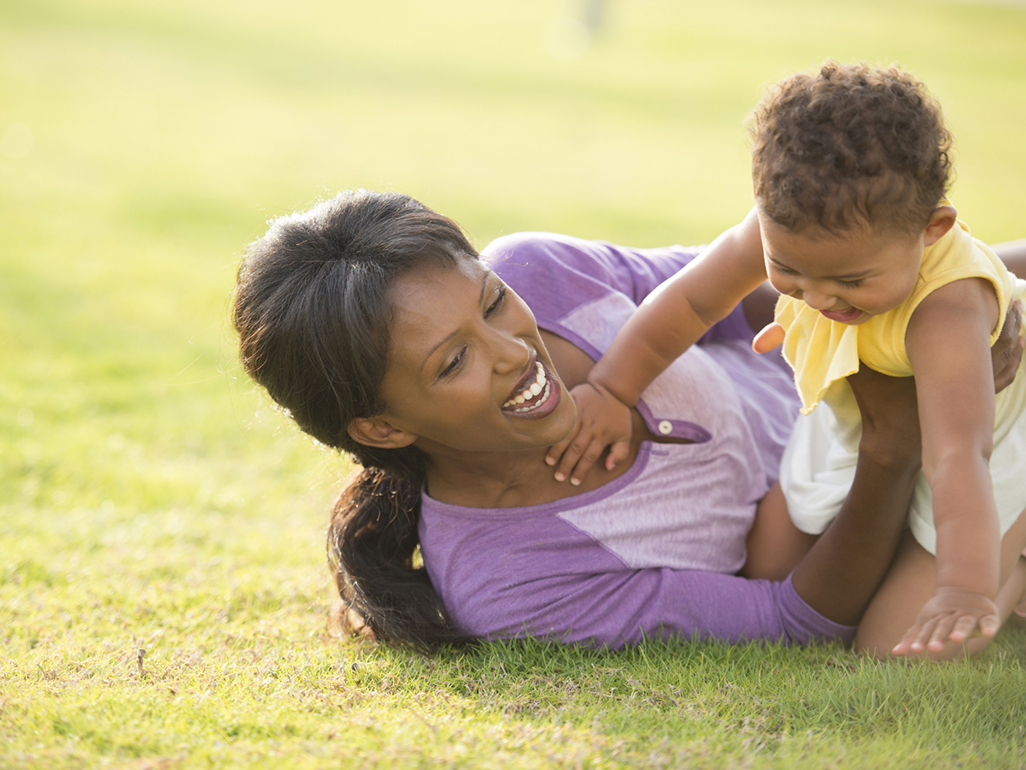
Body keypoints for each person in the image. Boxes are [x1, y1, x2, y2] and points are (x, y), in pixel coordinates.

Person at [231, 189, 1025, 656]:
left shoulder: (543, 268)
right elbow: (792, 617)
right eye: (452, 363)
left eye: (491, 300)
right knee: (905, 652)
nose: (513, 350)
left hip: (900, 365)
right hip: (879, 484)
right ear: (381, 428)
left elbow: (764, 282)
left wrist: (938, 326)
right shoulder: (513, 582)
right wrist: (891, 443)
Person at [552, 62, 1026, 657]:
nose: (820, 299)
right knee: (766, 568)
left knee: (895, 655)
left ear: (933, 229)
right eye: (791, 273)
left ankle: (1013, 565)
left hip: (985, 443)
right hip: (852, 418)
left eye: (851, 280)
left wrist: (964, 587)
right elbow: (691, 300)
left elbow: (959, 457)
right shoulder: (794, 223)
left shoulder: (946, 313)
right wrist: (611, 390)